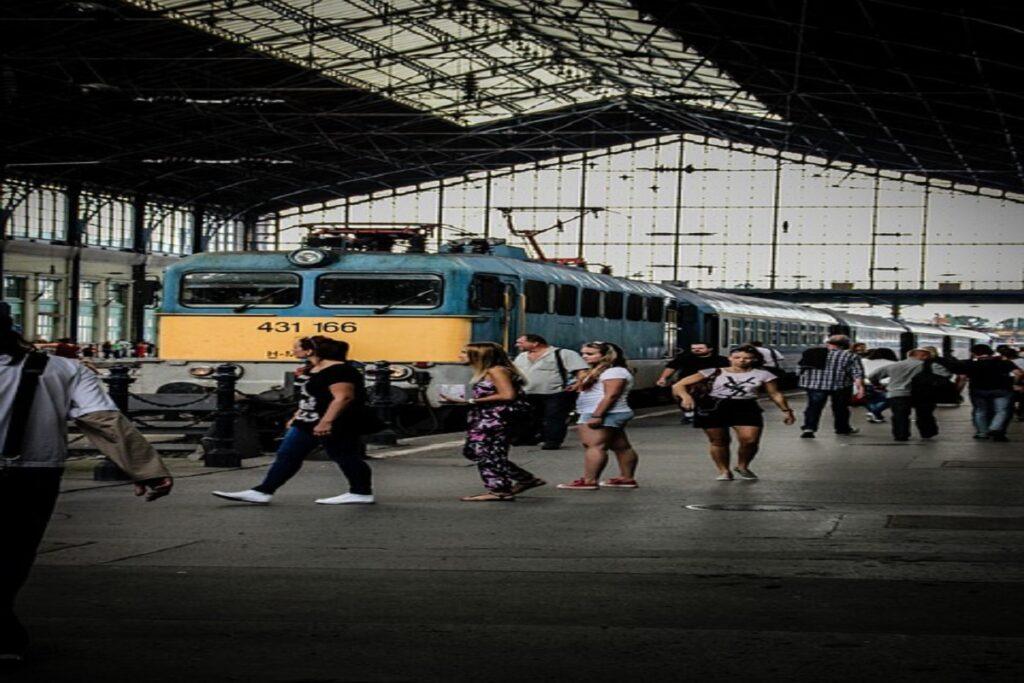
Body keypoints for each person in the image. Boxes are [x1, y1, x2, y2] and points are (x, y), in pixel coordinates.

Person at [1, 302, 172, 664]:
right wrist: (145, 468)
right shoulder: (64, 368)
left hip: (34, 472)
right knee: (14, 554)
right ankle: (3, 632)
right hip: (33, 474)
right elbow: (103, 420)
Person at [213, 336, 374, 505]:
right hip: (307, 421)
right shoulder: (313, 369)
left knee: (344, 455)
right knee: (288, 454)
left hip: (337, 422)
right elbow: (310, 396)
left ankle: (361, 492)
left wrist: (326, 421)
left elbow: (343, 397)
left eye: (296, 347)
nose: (293, 350)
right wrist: (297, 415)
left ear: (309, 351)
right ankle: (263, 491)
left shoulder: (340, 371)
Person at [673, 345, 795, 481]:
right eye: (737, 357)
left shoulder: (764, 374)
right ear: (730, 358)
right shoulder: (713, 371)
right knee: (719, 441)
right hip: (714, 406)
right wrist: (686, 397)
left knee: (750, 440)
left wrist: (786, 411)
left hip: (746, 406)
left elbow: (775, 394)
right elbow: (678, 385)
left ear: (754, 359)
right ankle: (724, 471)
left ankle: (742, 466)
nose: (742, 361)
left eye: (747, 358)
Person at [440, 342, 543, 501]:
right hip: (487, 418)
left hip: (496, 419)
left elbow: (507, 395)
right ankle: (524, 478)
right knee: (476, 451)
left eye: (464, 353)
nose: (459, 355)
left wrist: (473, 401)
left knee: (486, 452)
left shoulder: (496, 371)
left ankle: (500, 489)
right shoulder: (488, 371)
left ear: (479, 356)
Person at [557, 342, 640, 490]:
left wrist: (597, 415)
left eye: (590, 354)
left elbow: (611, 395)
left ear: (605, 356)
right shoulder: (608, 371)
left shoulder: (614, 372)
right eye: (583, 353)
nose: (584, 356)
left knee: (594, 446)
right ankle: (626, 478)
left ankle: (589, 481)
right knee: (621, 446)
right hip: (610, 412)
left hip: (603, 412)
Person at [512, 334, 588, 450]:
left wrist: (578, 384)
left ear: (535, 343)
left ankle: (553, 441)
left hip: (555, 392)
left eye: (520, 342)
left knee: (554, 417)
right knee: (530, 416)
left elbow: (581, 371)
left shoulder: (563, 353)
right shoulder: (521, 356)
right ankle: (531, 437)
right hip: (528, 392)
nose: (516, 345)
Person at [868, 348, 953, 441]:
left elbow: (872, 375)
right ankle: (927, 433)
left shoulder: (894, 365)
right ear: (923, 356)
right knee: (924, 414)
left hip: (897, 393)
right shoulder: (928, 365)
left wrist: (877, 385)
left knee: (899, 415)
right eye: (928, 356)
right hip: (922, 393)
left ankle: (901, 435)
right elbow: (946, 374)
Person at [797, 334, 865, 438]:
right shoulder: (851, 356)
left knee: (813, 407)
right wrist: (860, 388)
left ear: (828, 343)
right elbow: (857, 373)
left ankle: (809, 428)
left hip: (815, 385)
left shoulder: (811, 353)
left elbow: (800, 370)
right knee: (841, 408)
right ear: (845, 345)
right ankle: (842, 428)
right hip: (841, 386)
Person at [954, 344, 1024, 441]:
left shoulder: (969, 364)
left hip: (978, 390)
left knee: (980, 411)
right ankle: (995, 428)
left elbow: (962, 378)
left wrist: (957, 391)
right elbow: (1019, 373)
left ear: (973, 353)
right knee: (1001, 411)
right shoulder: (1003, 362)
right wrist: (1014, 383)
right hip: (1001, 390)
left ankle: (982, 433)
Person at [655, 342, 729, 423]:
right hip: (687, 382)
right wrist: (663, 378)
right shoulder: (684, 358)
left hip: (712, 382)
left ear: (710, 349)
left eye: (700, 348)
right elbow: (671, 367)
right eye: (693, 349)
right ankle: (689, 414)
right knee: (679, 391)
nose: (696, 350)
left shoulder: (722, 359)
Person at [861, 347, 899, 423]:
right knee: (890, 400)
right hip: (886, 384)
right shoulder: (894, 363)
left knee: (870, 400)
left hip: (866, 383)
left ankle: (876, 415)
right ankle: (874, 412)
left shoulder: (863, 361)